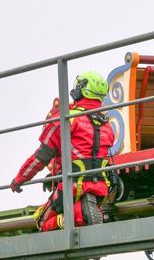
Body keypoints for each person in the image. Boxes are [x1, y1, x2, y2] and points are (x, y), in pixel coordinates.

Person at [10, 71, 114, 231]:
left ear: (83, 89)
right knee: (86, 213)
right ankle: (87, 213)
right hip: (100, 187)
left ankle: (77, 215)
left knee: (42, 221)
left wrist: (19, 179)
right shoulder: (107, 125)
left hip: (71, 187)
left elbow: (41, 157)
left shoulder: (67, 119)